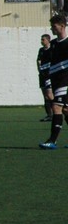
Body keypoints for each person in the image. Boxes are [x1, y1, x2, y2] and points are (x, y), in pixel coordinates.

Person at [40, 15, 68, 149]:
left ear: (62, 26)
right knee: (66, 110)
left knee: (56, 107)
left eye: (54, 26)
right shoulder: (53, 45)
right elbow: (48, 65)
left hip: (65, 80)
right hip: (56, 80)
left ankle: (52, 140)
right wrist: (48, 84)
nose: (52, 29)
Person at [37, 33, 53, 122]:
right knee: (45, 96)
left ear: (48, 40)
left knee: (50, 95)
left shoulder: (52, 49)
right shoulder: (41, 50)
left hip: (49, 76)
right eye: (41, 39)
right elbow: (38, 60)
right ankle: (49, 115)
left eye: (43, 39)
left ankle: (56, 113)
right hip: (42, 75)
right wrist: (39, 70)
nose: (41, 41)